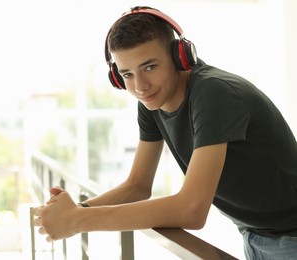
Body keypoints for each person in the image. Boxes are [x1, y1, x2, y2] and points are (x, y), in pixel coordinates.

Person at [33, 6, 297, 259]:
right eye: (127, 74)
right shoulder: (151, 102)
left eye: (150, 67)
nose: (140, 86)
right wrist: (73, 211)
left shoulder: (214, 93)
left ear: (180, 56)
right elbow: (138, 185)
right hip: (258, 234)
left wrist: (78, 221)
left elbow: (192, 210)